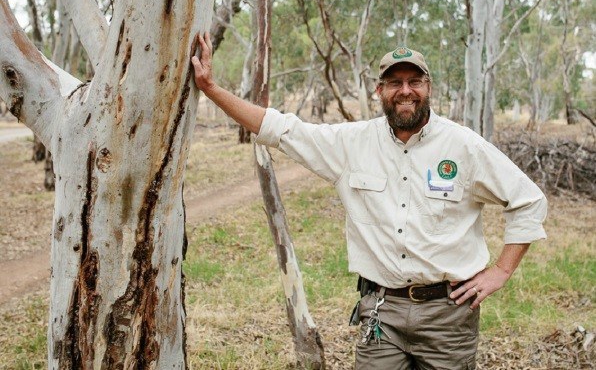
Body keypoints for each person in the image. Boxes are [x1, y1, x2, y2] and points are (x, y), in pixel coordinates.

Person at [191, 32, 547, 369]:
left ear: (428, 88)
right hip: (381, 312)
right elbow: (281, 129)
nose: (405, 91)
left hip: (448, 315)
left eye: (415, 82)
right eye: (395, 82)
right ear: (380, 90)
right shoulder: (352, 143)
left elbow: (528, 200)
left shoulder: (464, 146)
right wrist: (210, 88)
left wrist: (501, 271)